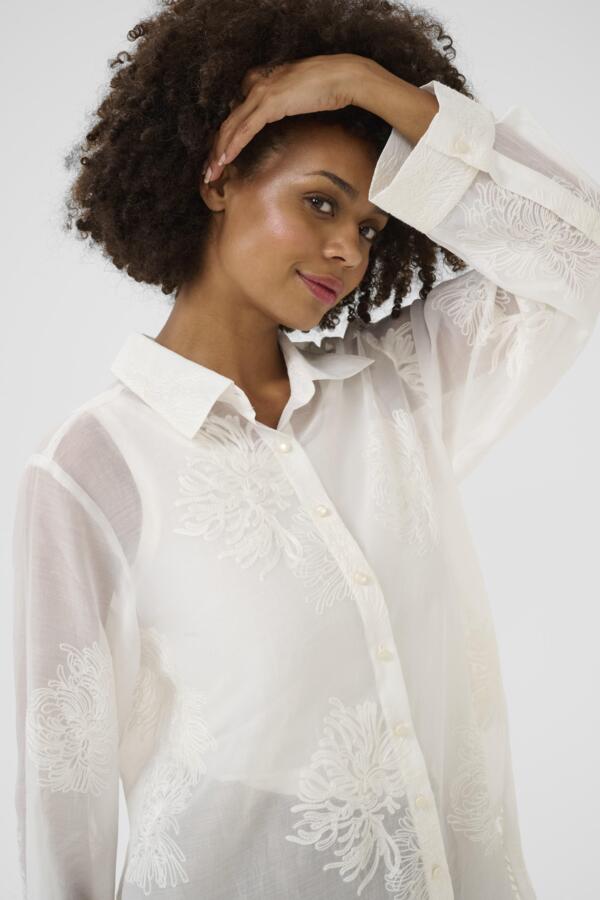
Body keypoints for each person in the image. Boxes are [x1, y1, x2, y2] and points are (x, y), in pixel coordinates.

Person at [11, 0, 600, 897]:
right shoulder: (93, 468)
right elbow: (63, 808)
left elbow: (578, 256)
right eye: (320, 202)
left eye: (369, 227)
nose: (347, 252)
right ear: (217, 177)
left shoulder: (399, 392)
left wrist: (375, 89)